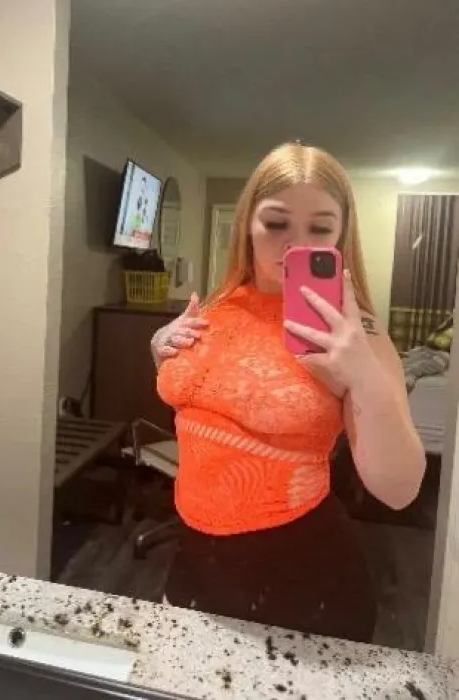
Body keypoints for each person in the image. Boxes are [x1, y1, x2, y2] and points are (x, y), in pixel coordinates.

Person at [151, 142, 425, 643]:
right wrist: (160, 349)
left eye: (319, 228)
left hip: (301, 576)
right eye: (276, 223)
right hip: (193, 558)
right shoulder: (216, 306)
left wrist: (363, 374)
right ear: (247, 224)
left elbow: (400, 489)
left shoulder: (355, 332)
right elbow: (200, 405)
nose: (295, 244)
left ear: (341, 234)